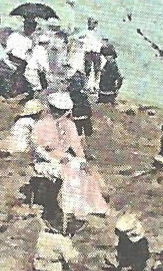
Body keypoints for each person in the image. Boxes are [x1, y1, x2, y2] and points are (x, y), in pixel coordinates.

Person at [31, 92, 108, 228]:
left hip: (66, 159)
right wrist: (55, 159)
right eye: (56, 110)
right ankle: (68, 210)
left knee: (83, 171)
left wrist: (82, 160)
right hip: (45, 162)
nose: (58, 114)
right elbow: (38, 149)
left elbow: (76, 145)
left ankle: (88, 208)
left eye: (61, 111)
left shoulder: (69, 125)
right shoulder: (40, 125)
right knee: (70, 174)